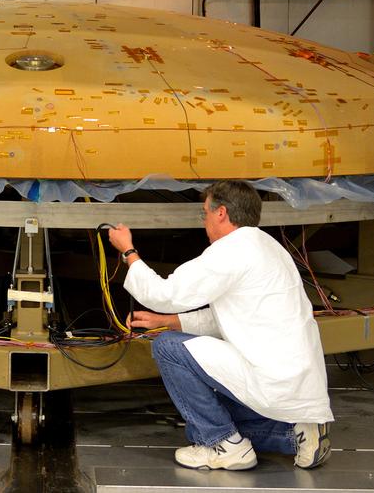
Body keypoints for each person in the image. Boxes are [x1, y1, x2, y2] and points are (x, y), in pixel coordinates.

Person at [108, 180, 333, 472]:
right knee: (200, 425)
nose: (204, 221)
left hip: (268, 379)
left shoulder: (230, 251)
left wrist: (128, 251)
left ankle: (226, 446)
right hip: (296, 385)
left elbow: (164, 294)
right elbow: (237, 314)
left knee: (167, 349)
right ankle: (297, 435)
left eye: (205, 213)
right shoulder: (270, 247)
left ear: (222, 213)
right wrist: (172, 321)